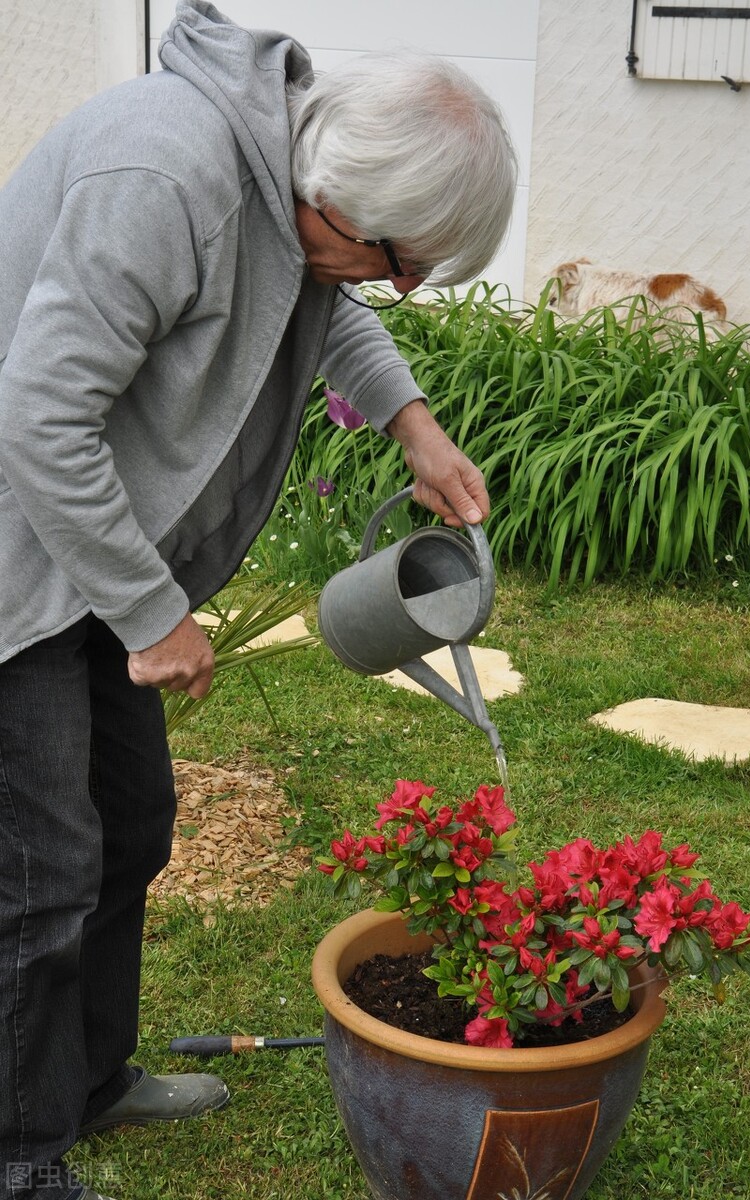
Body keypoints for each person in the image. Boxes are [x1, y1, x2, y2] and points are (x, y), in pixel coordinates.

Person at [0, 3, 517, 1198]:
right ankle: (19, 1156)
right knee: (40, 872)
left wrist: (414, 424)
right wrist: (150, 614)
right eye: (400, 259)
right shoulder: (167, 177)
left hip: (92, 537)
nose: (401, 283)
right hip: (20, 544)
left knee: (130, 828)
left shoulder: (300, 176)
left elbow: (328, 300)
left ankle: (91, 1081)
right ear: (336, 200)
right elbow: (35, 417)